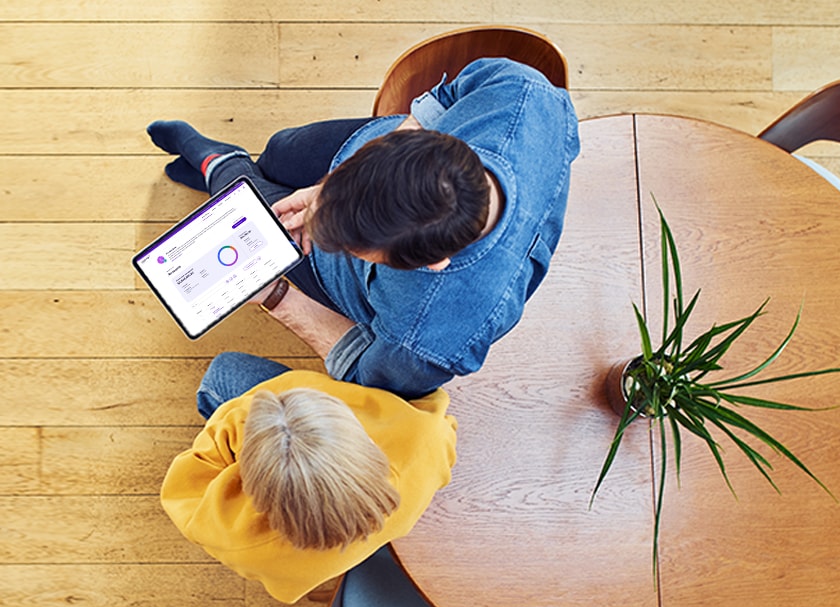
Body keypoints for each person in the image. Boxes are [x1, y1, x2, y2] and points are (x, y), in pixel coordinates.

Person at [147, 57, 580, 399]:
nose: (313, 214)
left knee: (245, 198)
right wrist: (335, 186)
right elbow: (450, 93)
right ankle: (241, 167)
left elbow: (363, 372)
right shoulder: (520, 92)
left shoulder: (428, 335)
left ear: (430, 263)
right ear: (427, 143)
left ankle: (216, 162)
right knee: (282, 149)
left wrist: (276, 295)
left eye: (354, 248)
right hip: (368, 147)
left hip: (348, 286)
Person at [160, 352, 458, 604]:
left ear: (255, 483)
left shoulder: (233, 536)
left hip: (299, 567)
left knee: (223, 372)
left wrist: (237, 421)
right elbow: (434, 405)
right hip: (377, 527)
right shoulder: (424, 441)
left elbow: (185, 486)